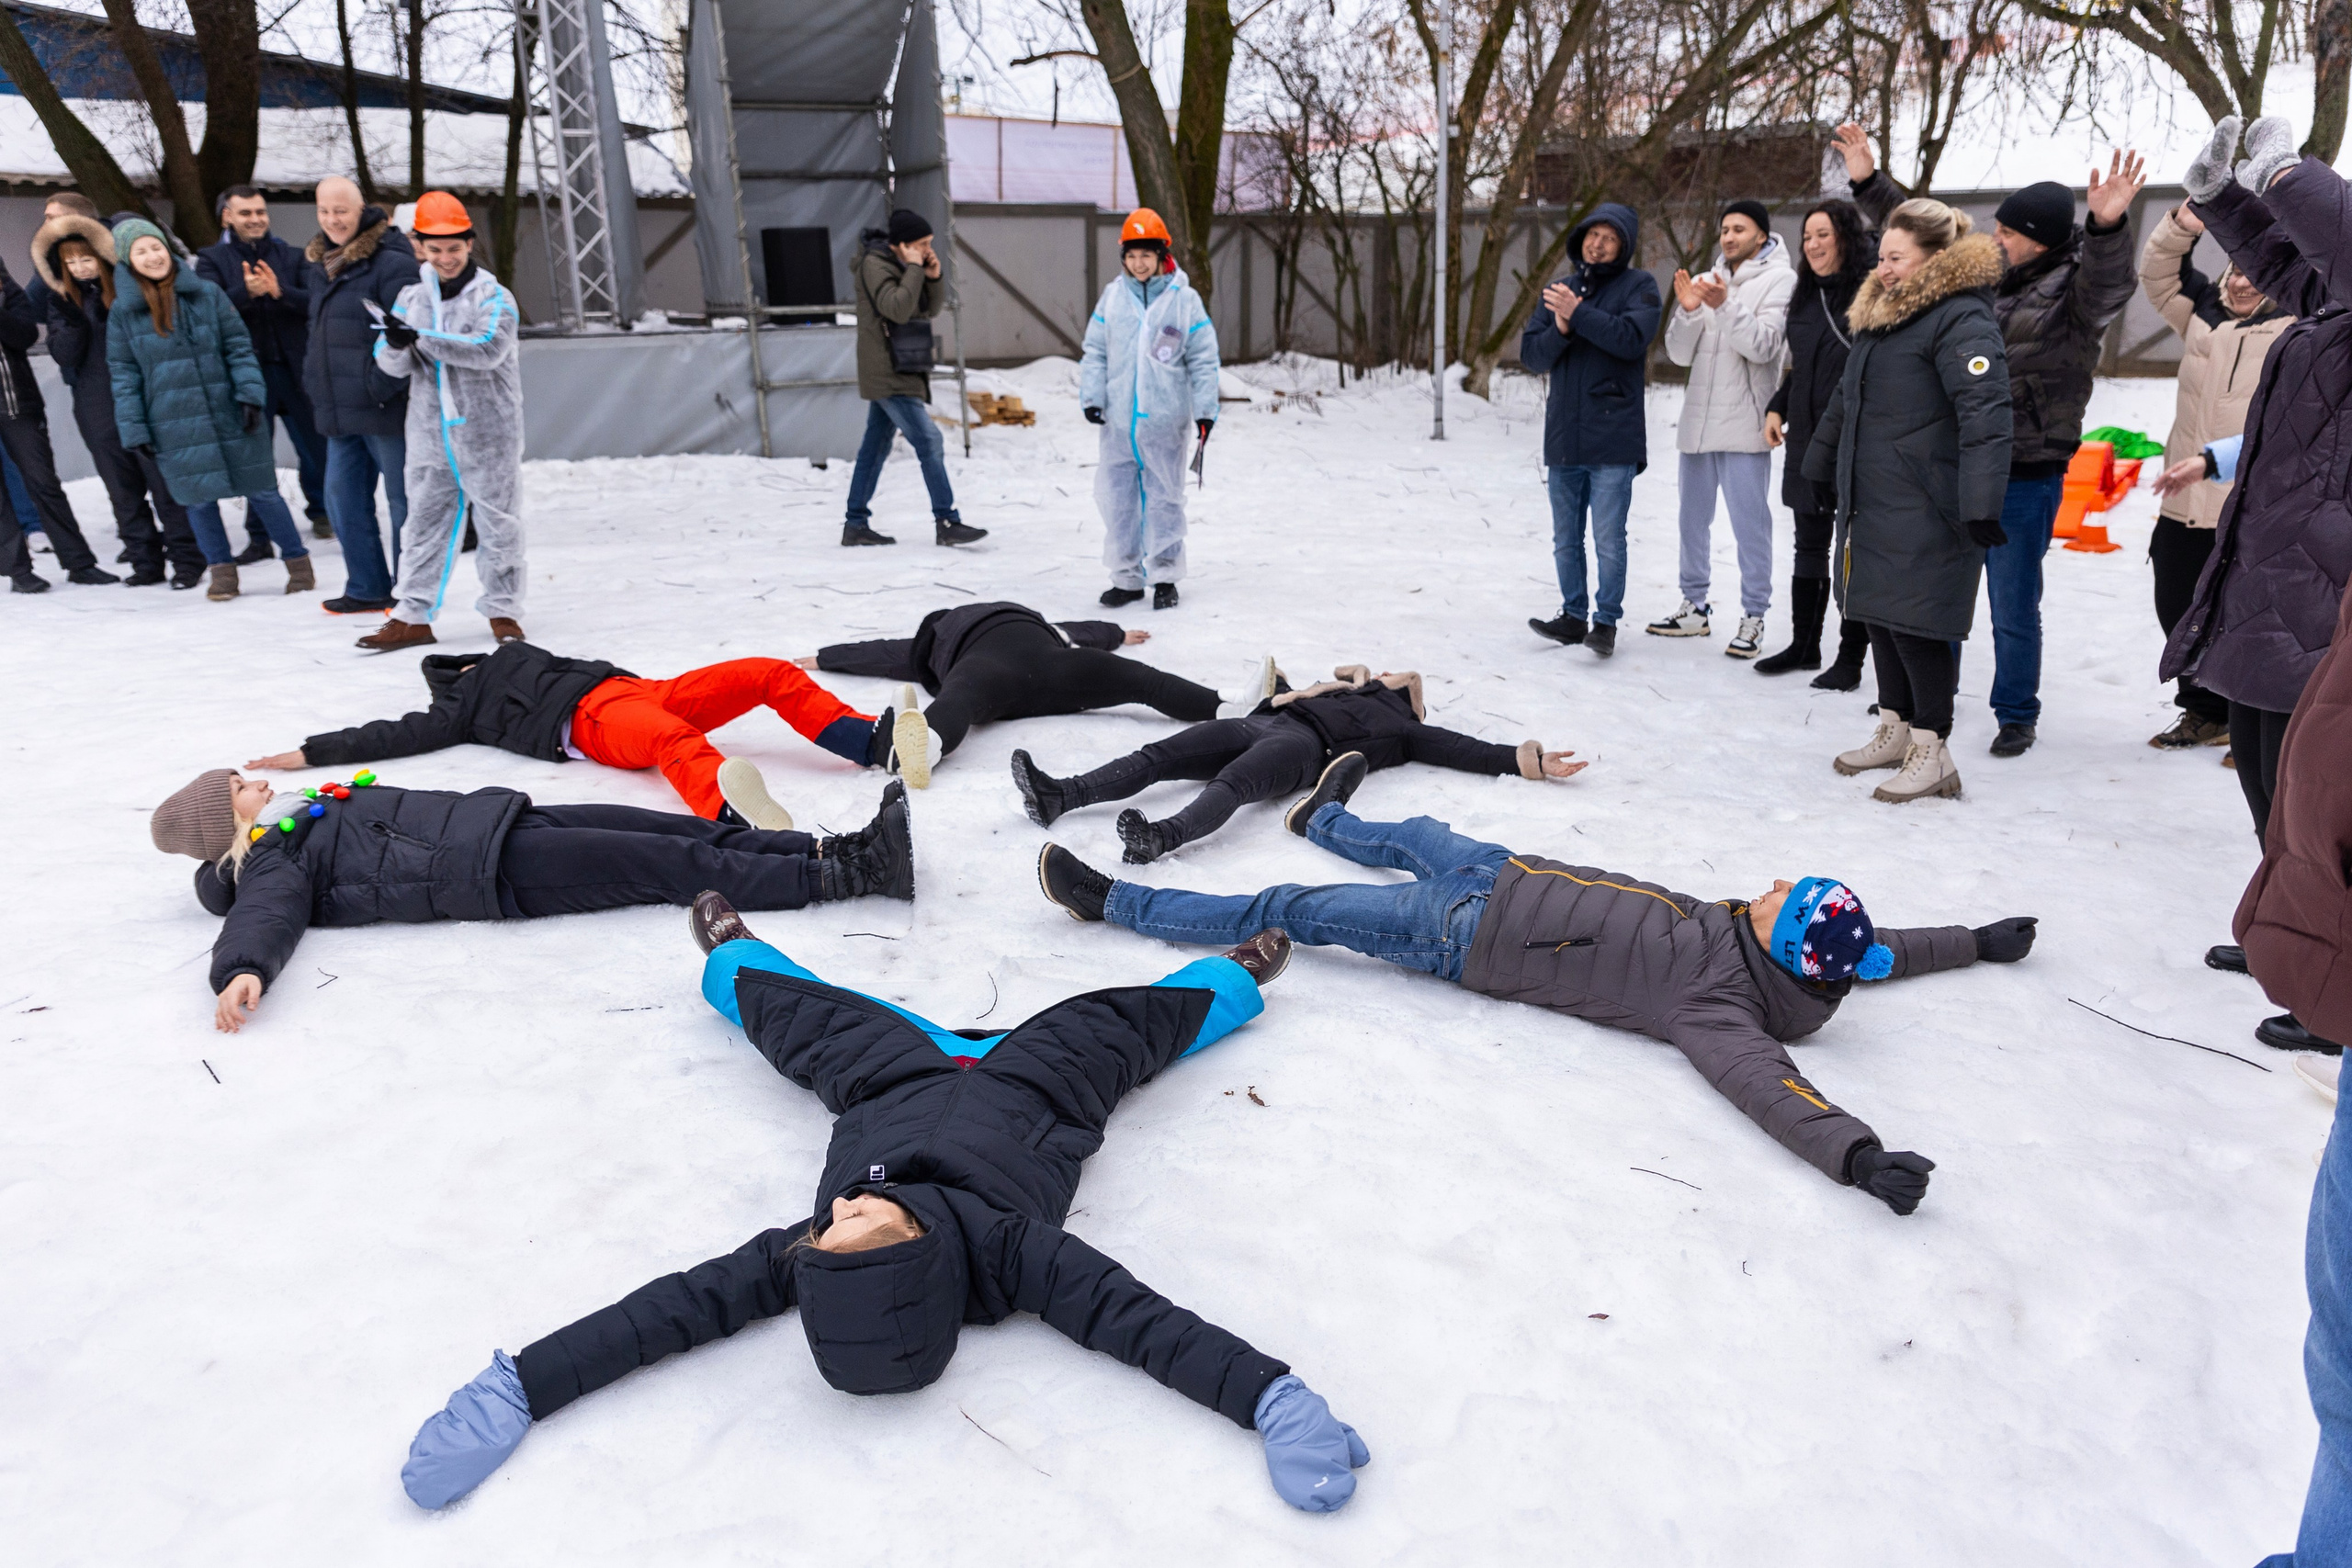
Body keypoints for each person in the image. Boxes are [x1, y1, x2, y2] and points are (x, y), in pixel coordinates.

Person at [398, 894, 1363, 1514]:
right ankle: (1238, 970)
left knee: (782, 1010)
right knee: (1134, 1021)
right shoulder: (1012, 1254)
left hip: (888, 1080)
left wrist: (520, 1386)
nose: (837, 1218)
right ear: (919, 1257)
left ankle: (735, 950)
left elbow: (669, 1312)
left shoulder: (815, 1256)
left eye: (833, 1232)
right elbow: (1139, 1323)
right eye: (863, 1226)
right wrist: (1269, 1398)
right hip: (1039, 1082)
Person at [1037, 774, 2039, 1213]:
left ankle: (1115, 902)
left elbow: (1767, 1088)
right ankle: (1323, 815)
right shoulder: (1803, 947)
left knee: (1291, 905)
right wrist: (1979, 942)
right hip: (1514, 872)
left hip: (1468, 938)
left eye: (1785, 893)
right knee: (1414, 833)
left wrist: (1855, 1155)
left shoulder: (1719, 1007)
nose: (1771, 881)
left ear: (1784, 939)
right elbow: (1881, 949)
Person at [148, 769, 915, 1035]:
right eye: (234, 787)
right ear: (228, 824)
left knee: (666, 826)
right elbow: (264, 914)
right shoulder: (273, 856)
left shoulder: (293, 815)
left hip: (499, 823)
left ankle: (831, 849)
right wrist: (241, 969)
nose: (249, 777)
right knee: (660, 861)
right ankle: (850, 876)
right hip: (489, 870)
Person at [1838, 126, 2142, 759]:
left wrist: (2108, 228)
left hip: (2026, 467)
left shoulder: (2076, 291)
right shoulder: (1979, 277)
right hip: (1954, 462)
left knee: (2010, 599)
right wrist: (1869, 183)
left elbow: (2112, 284)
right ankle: (1925, 707)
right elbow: (1926, 240)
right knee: (1934, 589)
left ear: (2041, 237)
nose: (1996, 238)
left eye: (2008, 231)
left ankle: (2016, 711)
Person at [2159, 117, 2352, 1047]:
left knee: (2316, 797)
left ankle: (2330, 986)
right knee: (2263, 765)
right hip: (2277, 566)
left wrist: (2286, 173)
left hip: (2328, 578)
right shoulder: (2333, 302)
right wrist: (2220, 199)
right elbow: (2290, 265)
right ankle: (2290, 929)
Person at [242, 639, 927, 829]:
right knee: (671, 741)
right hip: (593, 721)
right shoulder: (462, 704)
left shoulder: (516, 650)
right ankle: (734, 812)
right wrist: (311, 752)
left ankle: (872, 742)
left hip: (639, 686)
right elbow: (389, 735)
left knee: (766, 671)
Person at [1803, 199, 2010, 803]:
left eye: (1898, 258)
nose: (1885, 267)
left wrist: (1980, 502)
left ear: (1935, 259)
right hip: (1876, 493)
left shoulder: (1960, 319)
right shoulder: (1884, 311)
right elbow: (1848, 397)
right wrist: (1819, 465)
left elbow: (1986, 414)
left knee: (1919, 624)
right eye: (1883, 256)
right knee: (1880, 615)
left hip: (1927, 497)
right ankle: (1896, 726)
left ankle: (1932, 749)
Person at [1011, 666, 1586, 864]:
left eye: (1398, 677)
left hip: (1305, 750)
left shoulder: (1407, 729)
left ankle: (1160, 837)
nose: (1387, 672)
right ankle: (1062, 794)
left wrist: (1526, 759)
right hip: (1264, 722)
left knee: (1233, 785)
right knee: (1160, 755)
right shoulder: (1335, 689)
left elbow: (1465, 748)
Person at [2136, 196, 2290, 750]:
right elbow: (2157, 276)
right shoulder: (2203, 309)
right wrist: (2181, 226)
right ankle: (2204, 712)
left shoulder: (2297, 324)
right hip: (2184, 497)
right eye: (2236, 269)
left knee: (2247, 619)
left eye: (2255, 272)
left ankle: (2254, 725)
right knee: (2177, 607)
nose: (2243, 282)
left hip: (2252, 502)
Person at [806, 598, 1238, 785]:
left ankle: (928, 746)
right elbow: (1082, 631)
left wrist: (826, 657)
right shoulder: (1038, 626)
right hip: (1054, 671)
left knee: (958, 701)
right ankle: (1227, 704)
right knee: (1140, 680)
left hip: (993, 675)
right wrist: (1117, 633)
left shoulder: (936, 638)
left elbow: (881, 653)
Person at [105, 218, 311, 602]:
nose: (152, 256)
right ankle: (222, 574)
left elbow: (238, 347)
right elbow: (123, 374)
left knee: (264, 492)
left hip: (229, 411)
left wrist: (250, 395)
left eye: (156, 247)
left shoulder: (208, 294)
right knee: (198, 501)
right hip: (172, 422)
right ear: (127, 261)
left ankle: (298, 563)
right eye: (141, 251)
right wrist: (134, 429)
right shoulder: (123, 313)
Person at [356, 192, 524, 652]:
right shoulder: (411, 297)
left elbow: (487, 349)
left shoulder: (495, 296)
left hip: (489, 432)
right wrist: (394, 342)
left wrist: (419, 338)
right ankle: (412, 615)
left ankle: (504, 610)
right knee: (422, 524)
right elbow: (391, 366)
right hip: (429, 435)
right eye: (435, 248)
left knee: (498, 523)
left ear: (469, 243)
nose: (446, 257)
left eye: (454, 247)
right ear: (419, 247)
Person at [30, 211, 206, 589]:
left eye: (86, 258)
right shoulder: (62, 302)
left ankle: (187, 559)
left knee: (164, 485)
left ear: (102, 256)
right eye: (70, 262)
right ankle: (145, 563)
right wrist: (73, 318)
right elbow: (64, 355)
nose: (79, 268)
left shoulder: (130, 292)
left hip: (145, 401)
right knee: (122, 490)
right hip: (95, 406)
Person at [1651, 199, 1794, 656]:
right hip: (1697, 424)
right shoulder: (1705, 280)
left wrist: (1726, 306)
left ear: (1761, 235)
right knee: (1692, 521)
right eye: (1724, 229)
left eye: (1740, 228)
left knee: (1750, 525)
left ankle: (1754, 615)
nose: (1729, 237)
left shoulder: (1781, 280)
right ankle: (1694, 608)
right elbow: (1677, 354)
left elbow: (1764, 346)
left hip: (1745, 424)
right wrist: (1691, 310)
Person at [1521, 202, 1661, 660]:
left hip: (1613, 437)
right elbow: (1531, 357)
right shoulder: (1559, 290)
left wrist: (1577, 315)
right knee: (1566, 538)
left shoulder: (1640, 287)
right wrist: (1561, 327)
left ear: (1623, 245)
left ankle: (1605, 622)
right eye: (1591, 235)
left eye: (1609, 237)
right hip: (1565, 436)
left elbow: (1629, 339)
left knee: (1607, 537)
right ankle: (1572, 615)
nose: (1597, 244)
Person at [1757, 196, 1876, 682]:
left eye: (1823, 234)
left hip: (1854, 436)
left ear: (1846, 236)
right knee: (1808, 545)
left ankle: (1849, 659)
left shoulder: (1871, 293)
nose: (1813, 244)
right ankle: (1803, 646)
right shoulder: (1805, 295)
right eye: (1807, 236)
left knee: (1853, 550)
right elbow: (1803, 366)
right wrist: (1778, 404)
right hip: (1806, 434)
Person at [1080, 208, 1221, 611]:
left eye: (1146, 254)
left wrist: (1205, 410)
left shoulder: (1184, 301)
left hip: (1164, 421)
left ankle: (1164, 576)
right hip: (1119, 424)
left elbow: (1203, 359)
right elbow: (1094, 351)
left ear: (1162, 255)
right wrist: (1093, 397)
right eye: (1131, 255)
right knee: (1118, 499)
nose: (1138, 263)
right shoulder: (1113, 297)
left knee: (1164, 499)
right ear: (1123, 257)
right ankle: (1125, 578)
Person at [303, 176, 418, 615]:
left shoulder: (391, 263)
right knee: (341, 498)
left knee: (402, 502)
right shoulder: (321, 262)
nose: (333, 220)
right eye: (325, 212)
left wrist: (379, 385)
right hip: (338, 408)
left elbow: (407, 338)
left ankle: (411, 593)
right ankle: (368, 587)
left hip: (385, 406)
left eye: (342, 211)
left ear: (361, 210)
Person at [196, 184, 331, 549]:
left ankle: (322, 511)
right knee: (255, 452)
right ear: (227, 216)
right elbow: (205, 310)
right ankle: (259, 532)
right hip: (247, 375)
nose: (255, 220)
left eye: (260, 212)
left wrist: (278, 292)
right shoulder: (210, 260)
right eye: (245, 213)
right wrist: (246, 293)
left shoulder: (293, 255)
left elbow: (316, 303)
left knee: (315, 446)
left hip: (296, 369)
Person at [843, 209, 982, 548]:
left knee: (875, 447)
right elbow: (897, 308)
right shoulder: (875, 265)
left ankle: (856, 524)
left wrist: (932, 276)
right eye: (921, 244)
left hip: (902, 366)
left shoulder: (905, 265)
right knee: (929, 440)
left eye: (929, 243)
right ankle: (947, 520)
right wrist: (916, 269)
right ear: (902, 245)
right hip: (888, 371)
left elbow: (926, 310)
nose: (927, 249)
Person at [0, 248, 112, 594]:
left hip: (17, 403)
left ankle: (80, 563)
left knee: (44, 481)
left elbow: (26, 336)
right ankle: (19, 571)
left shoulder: (7, 289)